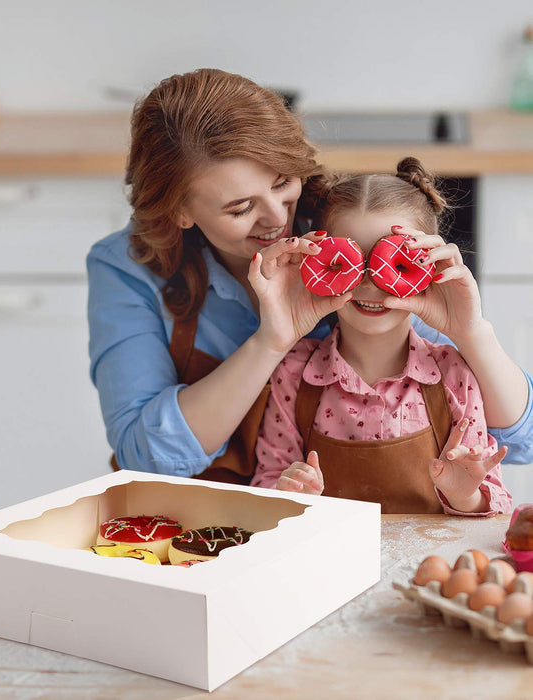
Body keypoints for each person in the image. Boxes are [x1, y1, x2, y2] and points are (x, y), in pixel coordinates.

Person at [87, 68, 533, 485]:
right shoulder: (126, 268)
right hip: (202, 519)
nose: (277, 220)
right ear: (179, 211)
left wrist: (472, 334)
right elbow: (143, 457)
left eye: (283, 183)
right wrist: (270, 342)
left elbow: (517, 441)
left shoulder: (345, 240)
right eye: (240, 208)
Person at [251, 159, 512, 515]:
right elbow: (267, 480)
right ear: (317, 265)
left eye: (395, 262)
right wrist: (289, 494)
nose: (371, 284)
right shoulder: (294, 374)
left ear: (429, 269)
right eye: (349, 262)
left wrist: (465, 494)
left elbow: (495, 501)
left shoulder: (455, 375)